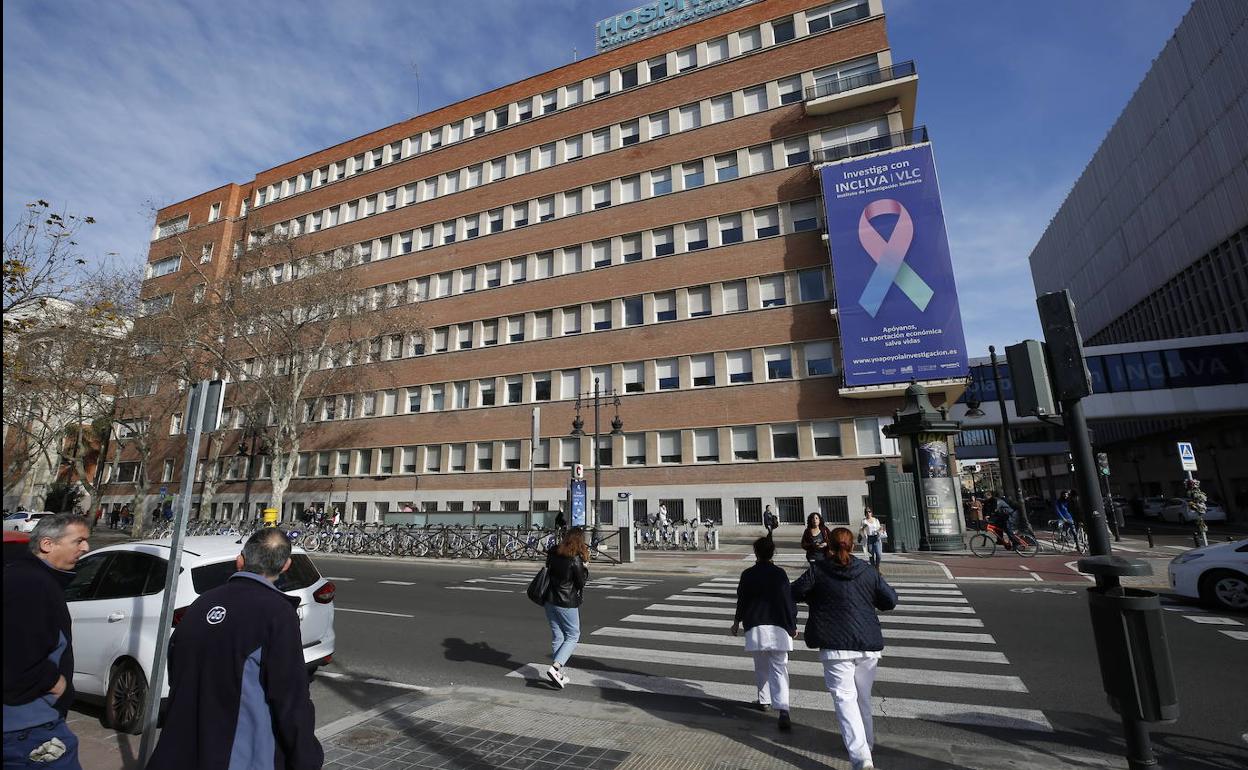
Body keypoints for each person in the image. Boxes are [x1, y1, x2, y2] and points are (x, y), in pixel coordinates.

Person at [148, 528, 322, 770]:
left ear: (240, 560)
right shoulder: (277, 613)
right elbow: (290, 697)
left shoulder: (200, 604)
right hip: (240, 755)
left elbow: (177, 668)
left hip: (182, 749)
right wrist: (306, 758)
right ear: (286, 566)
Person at [792, 528, 898, 770]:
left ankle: (861, 757)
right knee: (862, 697)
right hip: (867, 643)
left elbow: (793, 592)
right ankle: (866, 744)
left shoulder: (818, 570)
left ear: (828, 544)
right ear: (852, 545)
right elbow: (890, 600)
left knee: (844, 699)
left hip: (835, 644)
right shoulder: (868, 570)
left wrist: (815, 598)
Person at [3, 513, 91, 770]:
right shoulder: (31, 583)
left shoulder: (26, 577)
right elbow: (17, 655)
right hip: (28, 729)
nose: (86, 548)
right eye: (79, 541)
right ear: (47, 544)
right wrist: (55, 683)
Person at [731, 537, 797, 730]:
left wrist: (736, 622)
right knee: (780, 669)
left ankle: (764, 700)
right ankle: (783, 709)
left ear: (756, 552)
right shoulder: (780, 574)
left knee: (761, 666)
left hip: (756, 625)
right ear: (773, 552)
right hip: (779, 626)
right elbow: (788, 601)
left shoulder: (748, 574)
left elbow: (742, 600)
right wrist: (792, 624)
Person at [541, 528, 589, 690]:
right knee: (573, 635)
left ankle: (558, 673)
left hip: (549, 599)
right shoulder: (575, 559)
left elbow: (548, 569)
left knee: (558, 635)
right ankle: (555, 668)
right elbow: (581, 583)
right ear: (579, 541)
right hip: (565, 601)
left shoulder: (554, 552)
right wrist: (585, 567)